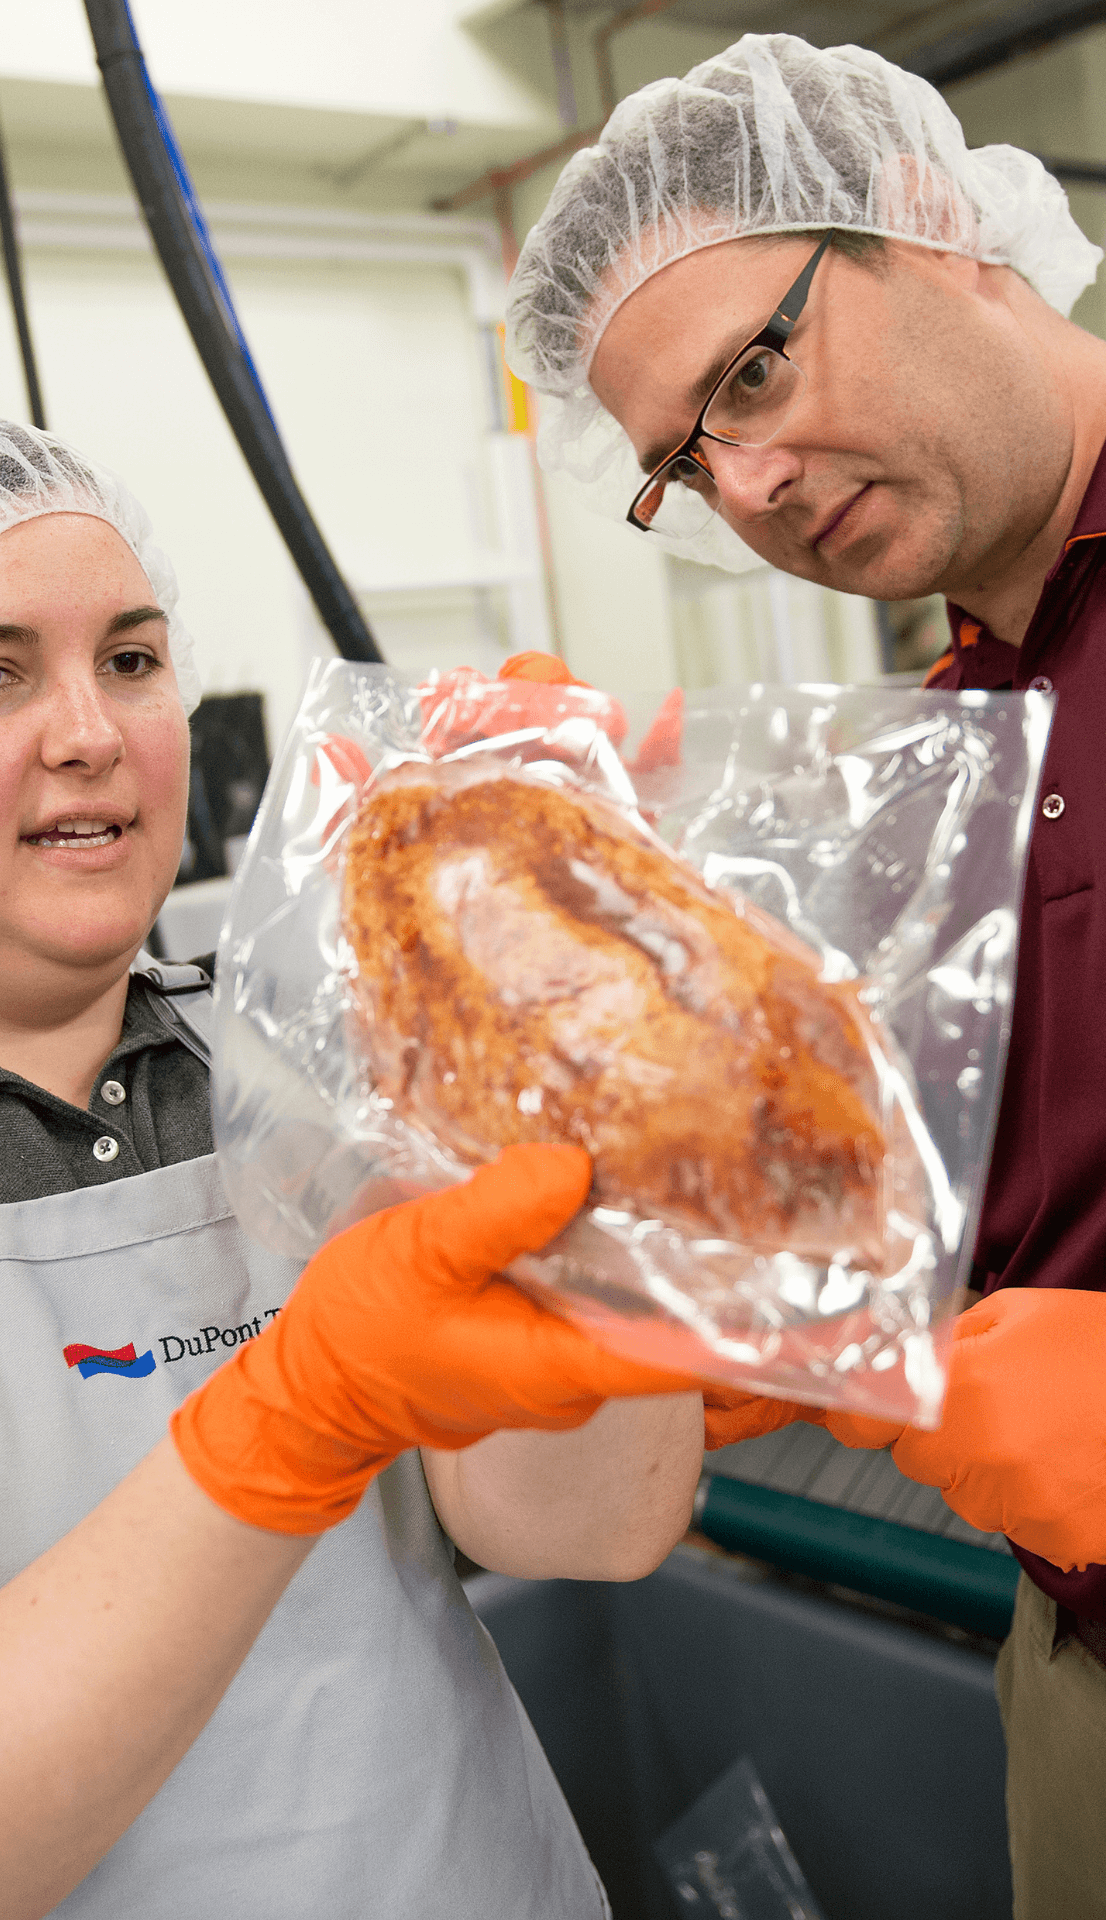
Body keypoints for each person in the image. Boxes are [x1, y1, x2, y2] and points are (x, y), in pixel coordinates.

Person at [0, 412, 707, 1920]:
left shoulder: (305, 1042)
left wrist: (570, 1057)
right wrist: (292, 1423)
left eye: (132, 657)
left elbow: (586, 1527)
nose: (92, 731)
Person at [505, 32, 1106, 1917]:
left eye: (755, 365)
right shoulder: (941, 752)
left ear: (935, 224)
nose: (749, 478)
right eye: (686, 459)